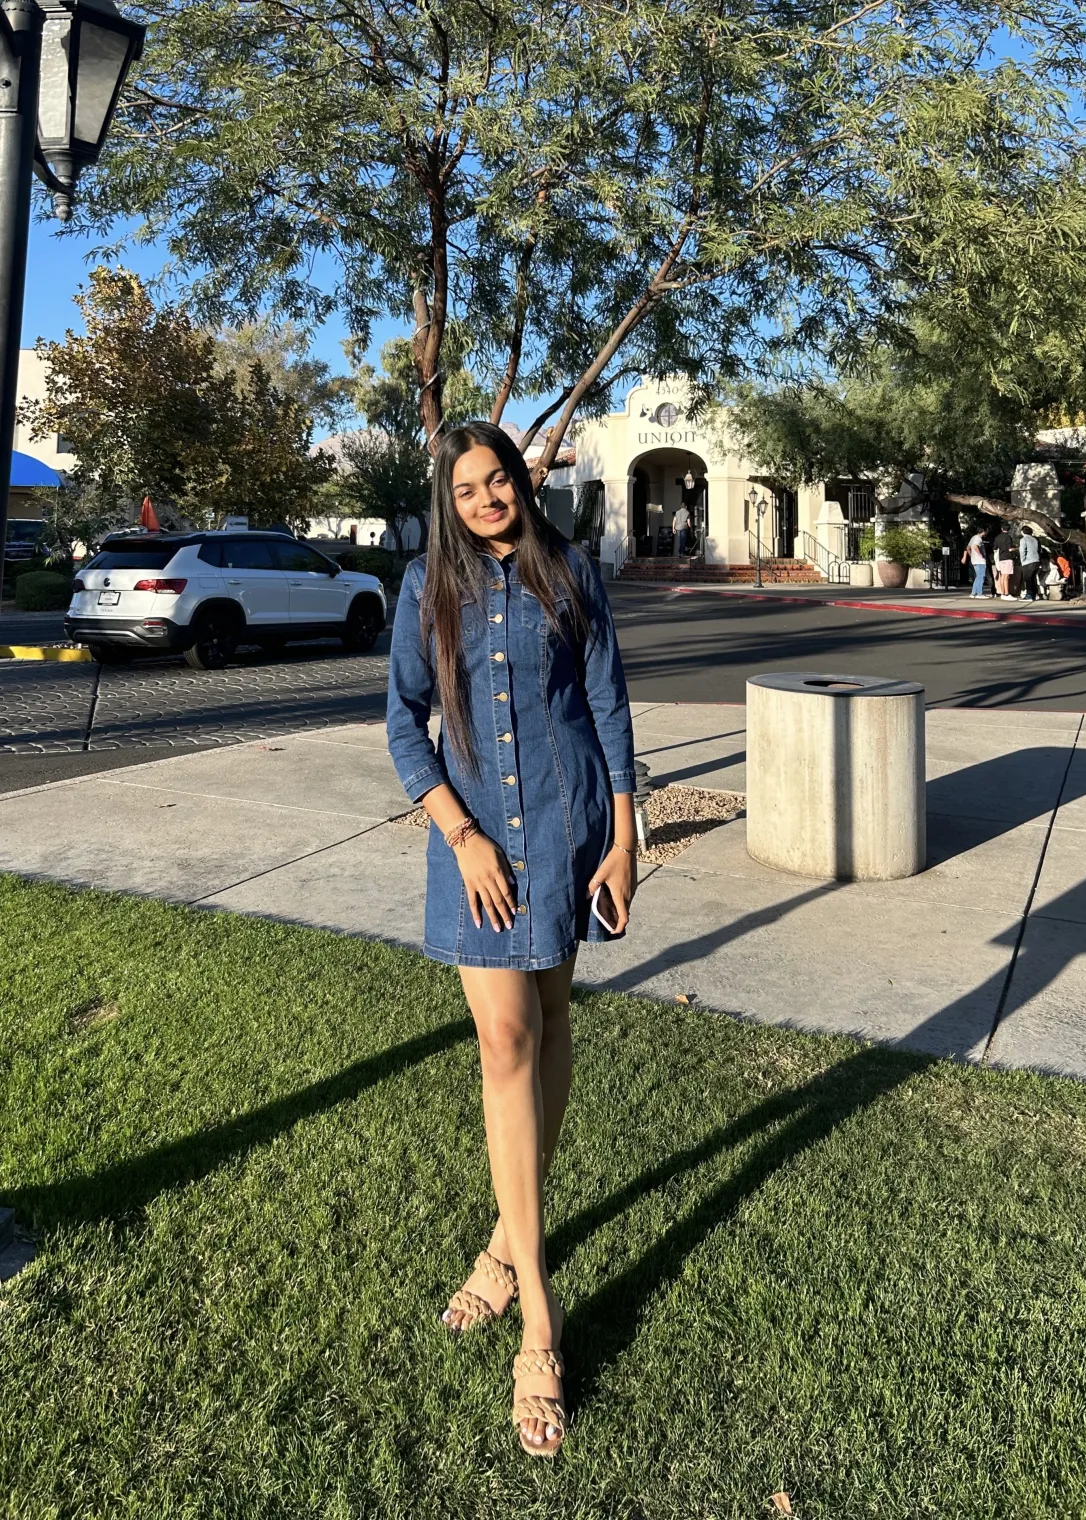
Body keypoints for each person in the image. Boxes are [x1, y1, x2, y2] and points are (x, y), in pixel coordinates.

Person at [386, 421, 637, 1460]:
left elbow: (609, 703)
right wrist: (459, 833)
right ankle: (538, 1310)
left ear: (523, 484)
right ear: (447, 498)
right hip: (477, 852)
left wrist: (626, 838)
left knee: (553, 1020)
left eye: (500, 480)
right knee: (504, 1047)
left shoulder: (567, 569)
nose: (488, 498)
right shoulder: (423, 588)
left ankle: (501, 1240)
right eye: (469, 487)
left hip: (571, 829)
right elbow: (404, 720)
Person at [961, 527, 989, 597]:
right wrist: (980, 554)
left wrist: (971, 555)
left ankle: (973, 593)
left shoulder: (973, 537)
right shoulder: (978, 539)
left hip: (975, 560)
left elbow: (968, 548)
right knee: (981, 577)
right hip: (980, 561)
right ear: (983, 532)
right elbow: (975, 546)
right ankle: (980, 593)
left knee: (978, 577)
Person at [992, 523, 1016, 599]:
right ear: (1008, 530)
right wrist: (1016, 549)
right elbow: (1010, 549)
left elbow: (995, 549)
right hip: (1008, 557)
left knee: (1002, 576)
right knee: (1006, 576)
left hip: (1001, 558)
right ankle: (1006, 593)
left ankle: (1002, 592)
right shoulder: (1008, 537)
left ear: (1002, 529)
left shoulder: (997, 537)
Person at [1019, 524, 1041, 600]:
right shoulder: (1035, 539)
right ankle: (1035, 594)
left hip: (1028, 561)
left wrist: (1022, 560)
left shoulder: (1023, 539)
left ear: (1022, 532)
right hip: (1036, 560)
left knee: (1027, 578)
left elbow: (1022, 551)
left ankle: (1029, 595)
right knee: (1033, 578)